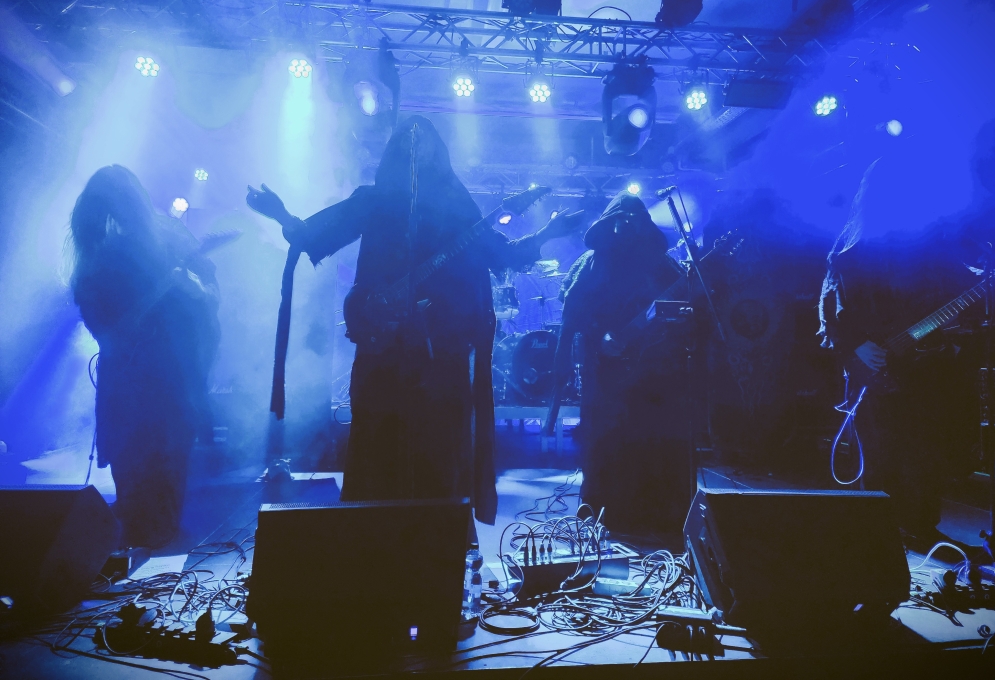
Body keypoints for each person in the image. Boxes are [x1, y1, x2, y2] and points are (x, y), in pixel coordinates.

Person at [247, 116, 581, 525]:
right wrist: (280, 213)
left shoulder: (458, 210)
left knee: (438, 455)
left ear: (438, 153)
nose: (416, 146)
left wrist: (549, 232)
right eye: (407, 139)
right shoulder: (375, 200)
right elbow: (314, 235)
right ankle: (372, 543)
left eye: (424, 141)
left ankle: (438, 543)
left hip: (440, 356)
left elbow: (503, 254)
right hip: (382, 349)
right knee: (378, 449)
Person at [818, 160, 977, 537]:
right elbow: (830, 303)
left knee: (925, 448)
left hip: (923, 367)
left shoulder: (930, 243)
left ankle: (922, 526)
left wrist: (952, 324)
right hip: (874, 366)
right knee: (880, 451)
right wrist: (856, 346)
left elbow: (956, 291)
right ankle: (879, 531)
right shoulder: (853, 247)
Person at [69, 165, 220, 548]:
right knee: (139, 506)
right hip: (131, 396)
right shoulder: (97, 260)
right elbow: (109, 335)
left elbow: (209, 302)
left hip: (168, 393)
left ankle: (153, 559)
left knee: (161, 507)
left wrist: (192, 288)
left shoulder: (167, 238)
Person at [546, 191, 691, 534]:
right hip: (603, 367)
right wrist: (563, 364)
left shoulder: (659, 264)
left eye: (634, 221)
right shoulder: (592, 263)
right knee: (601, 437)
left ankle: (647, 515)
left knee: (647, 435)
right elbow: (570, 317)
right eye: (621, 221)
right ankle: (598, 511)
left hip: (651, 369)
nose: (627, 227)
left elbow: (683, 299)